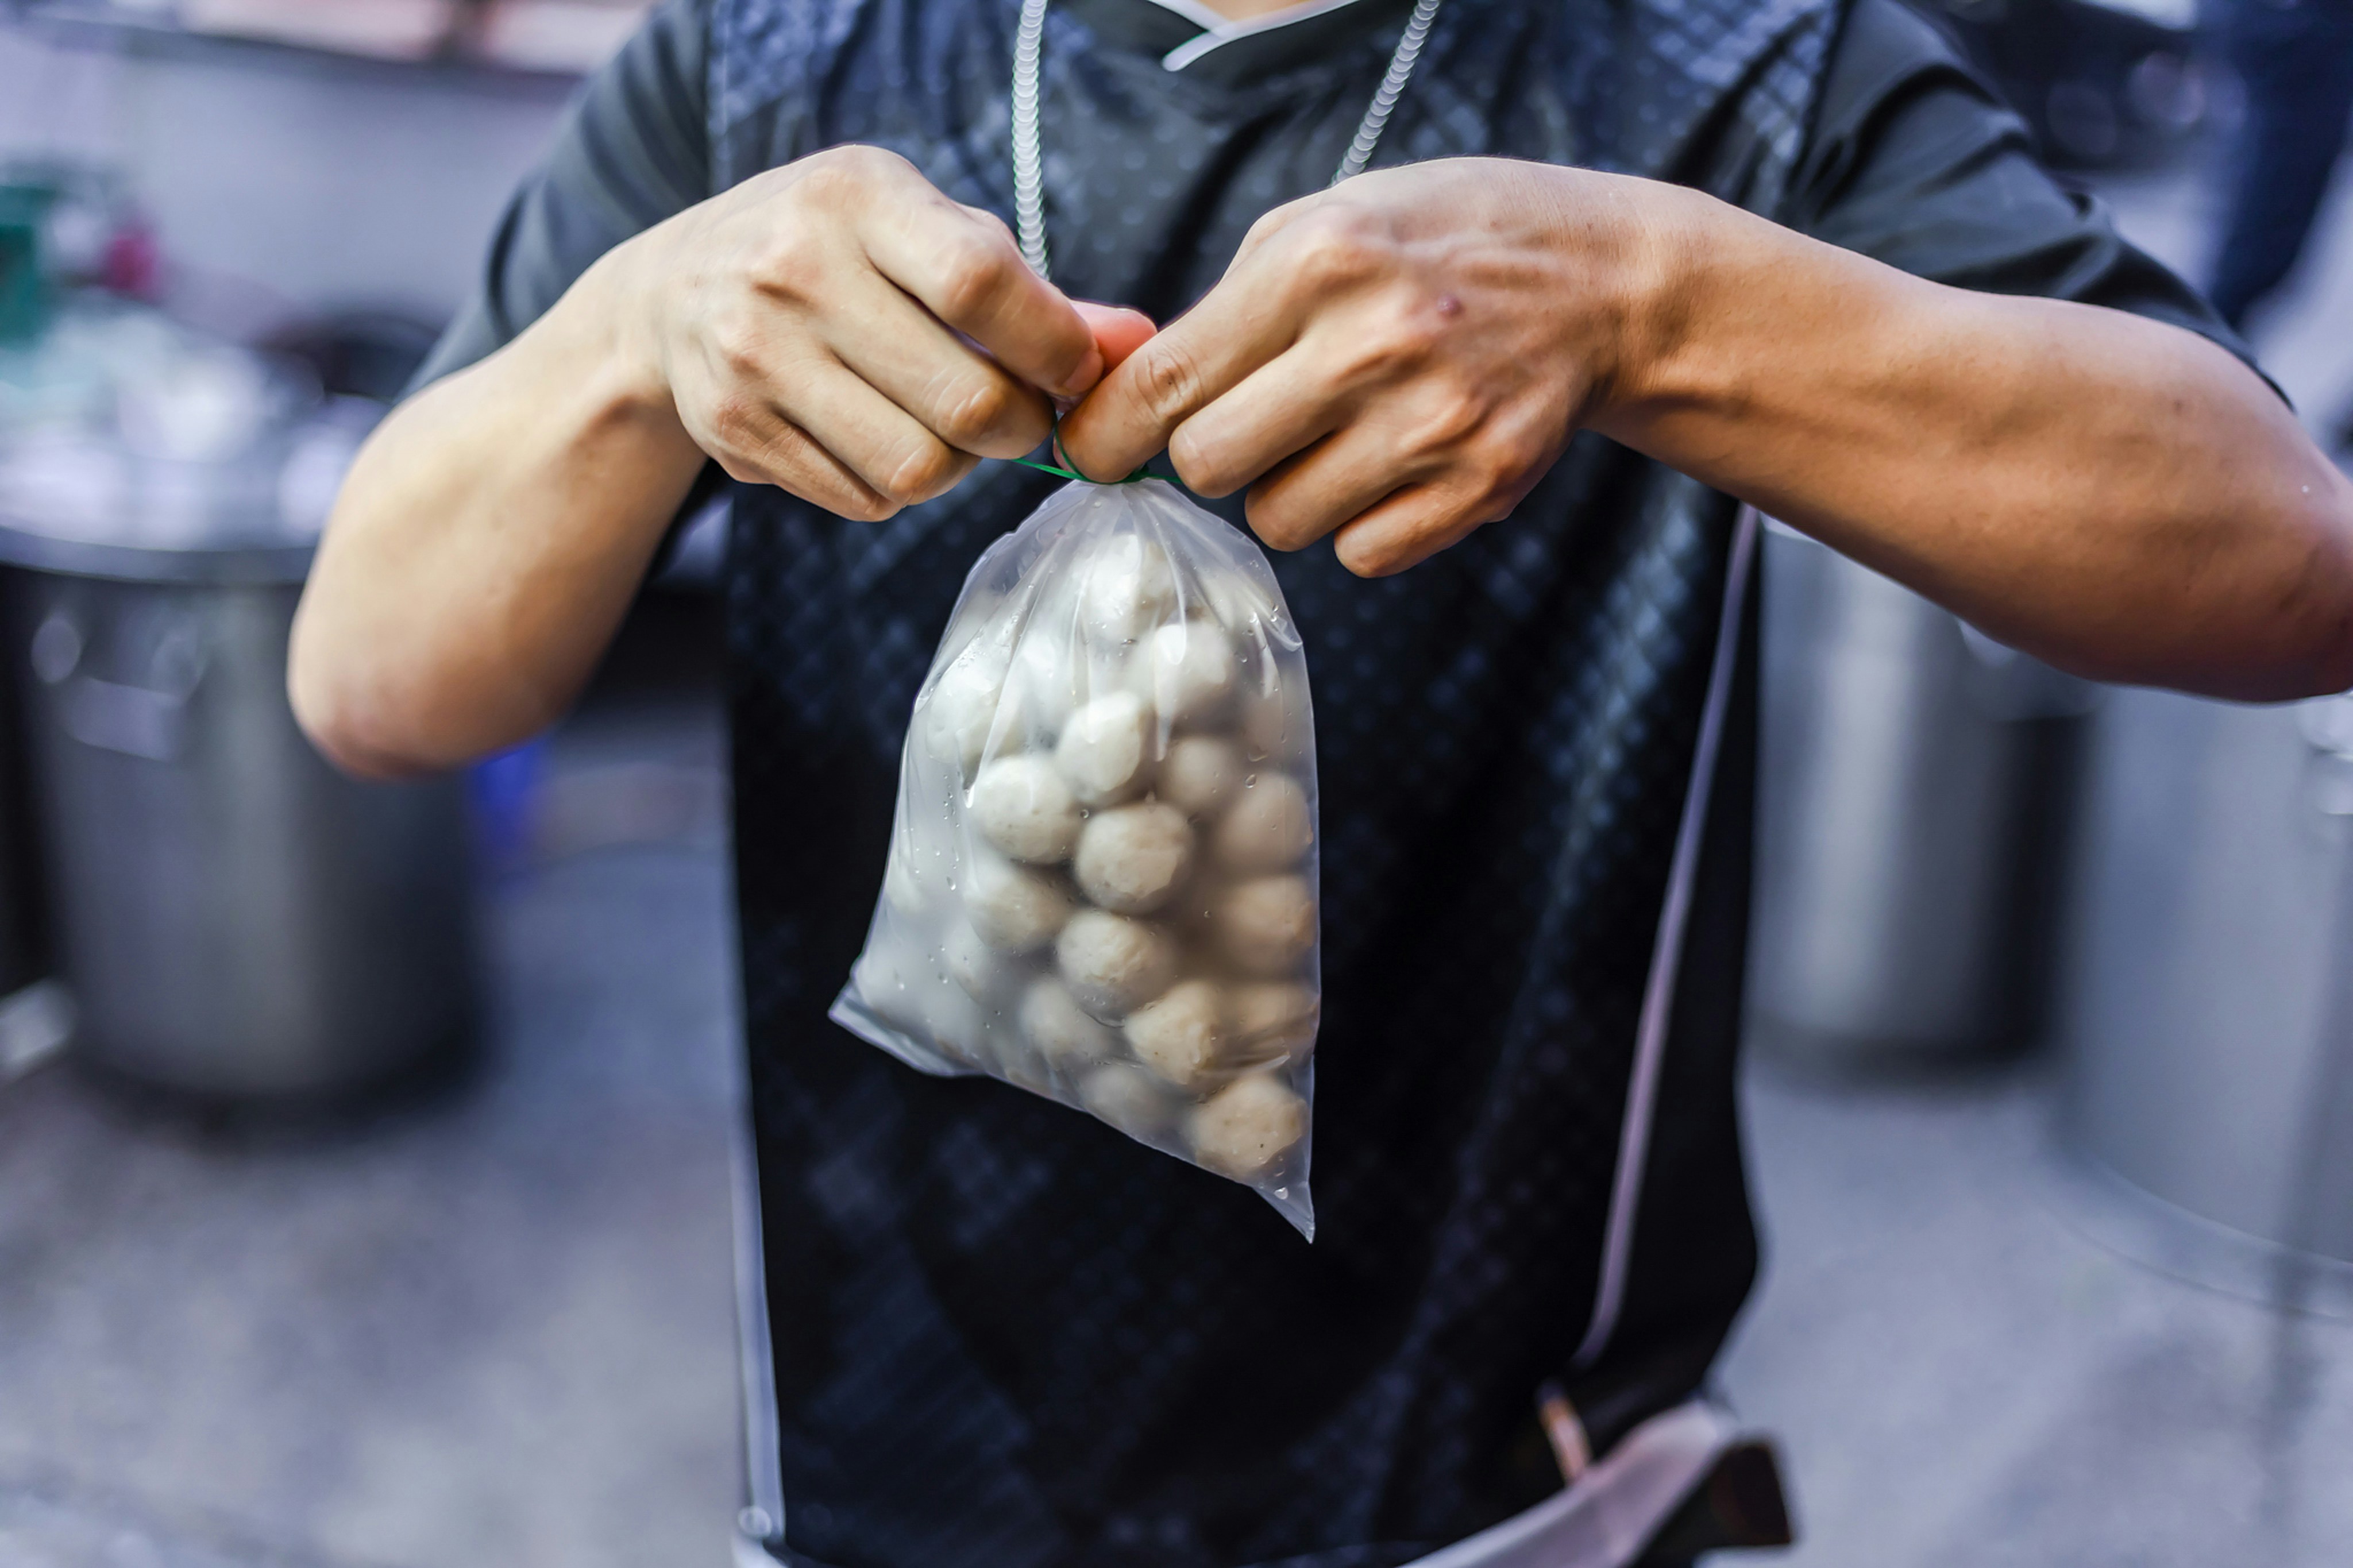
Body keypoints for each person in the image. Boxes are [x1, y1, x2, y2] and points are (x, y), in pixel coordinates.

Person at [288, 0, 2353, 1561]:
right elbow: (375, 679)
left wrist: (1666, 303)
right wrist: (638, 333)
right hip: (875, 1442)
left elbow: (2278, 570)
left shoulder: (1734, 60)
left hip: (1510, 1488)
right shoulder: (776, 55)